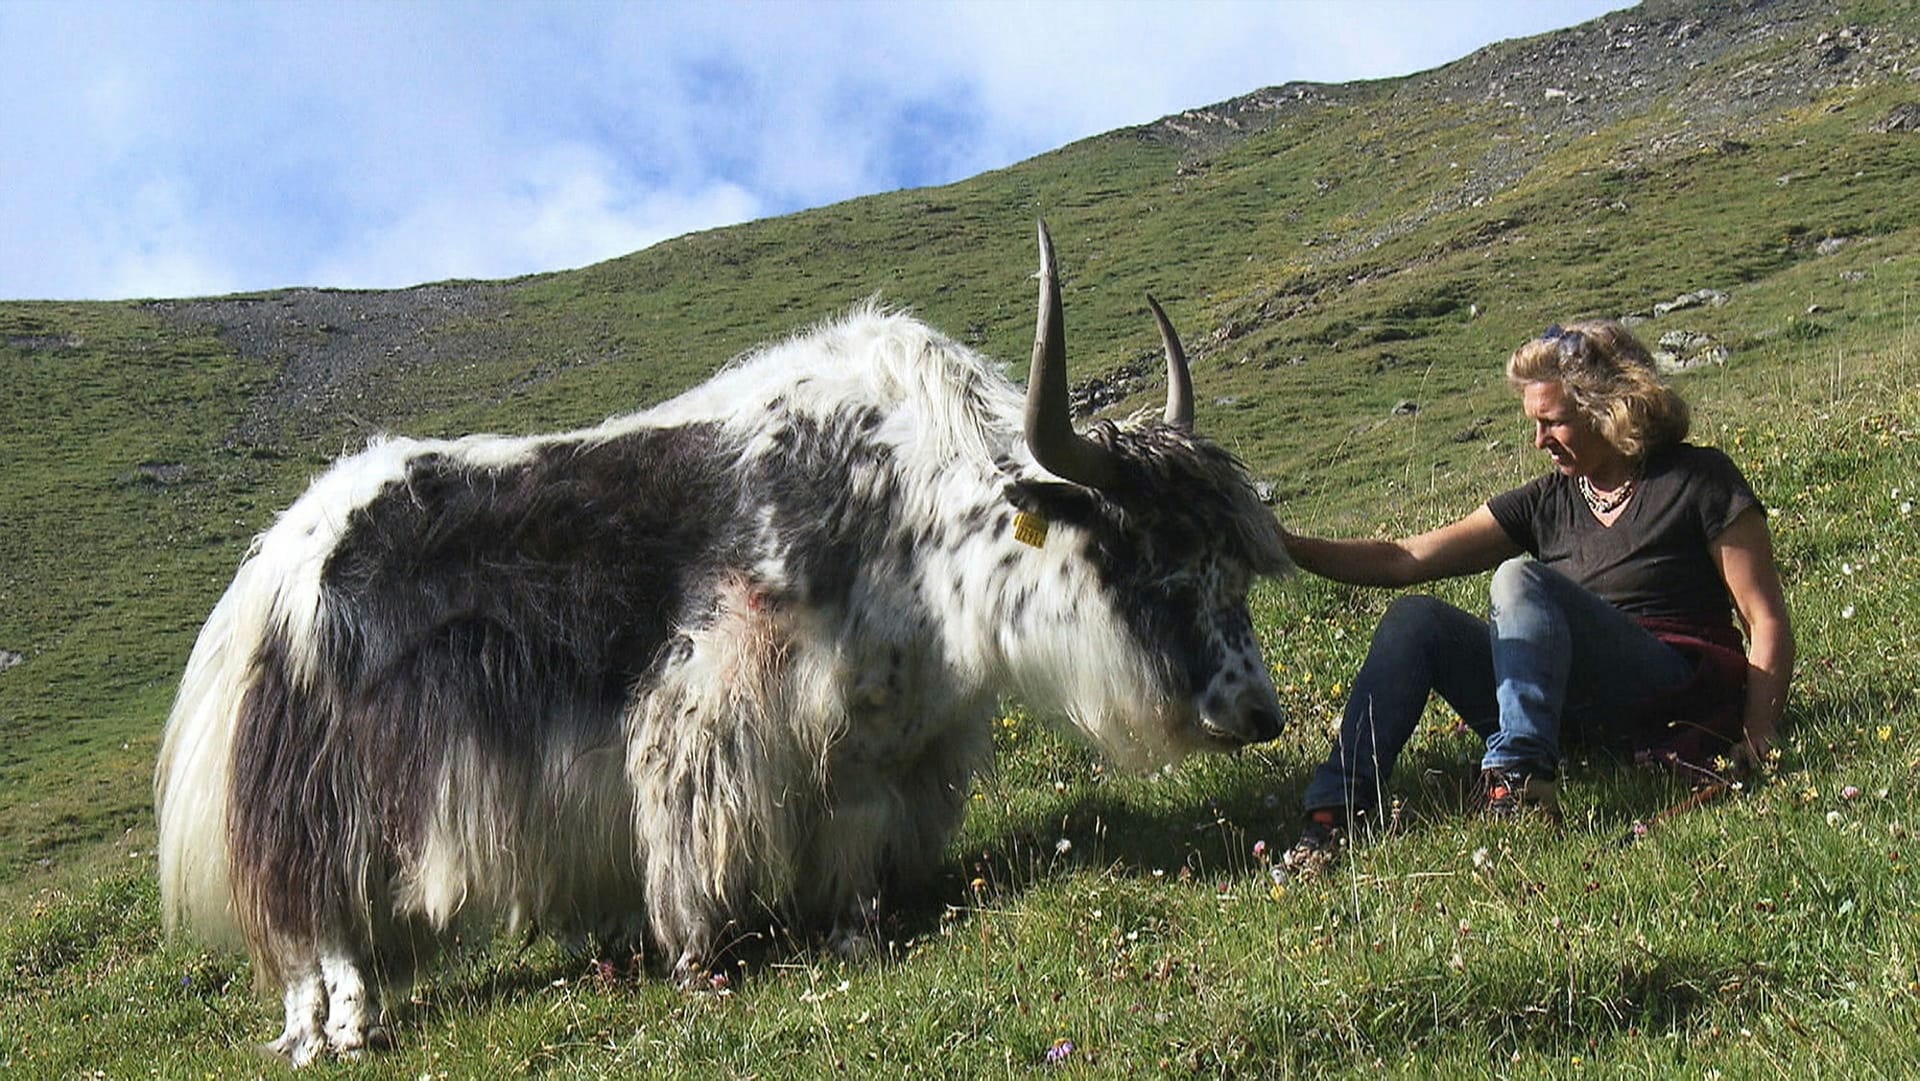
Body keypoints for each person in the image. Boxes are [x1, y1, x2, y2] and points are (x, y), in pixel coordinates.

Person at [1278, 320, 1794, 876]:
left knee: (1518, 578)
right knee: (1415, 619)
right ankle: (1336, 812)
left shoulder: (1699, 479)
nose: (1540, 440)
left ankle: (1518, 782)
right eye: (1535, 424)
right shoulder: (1549, 500)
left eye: (1553, 422)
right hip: (1574, 714)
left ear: (1609, 408)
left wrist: (1759, 729)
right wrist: (1281, 545)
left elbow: (1764, 618)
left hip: (1669, 686)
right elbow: (1405, 558)